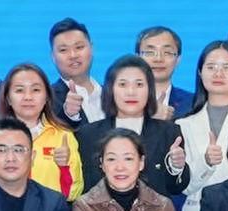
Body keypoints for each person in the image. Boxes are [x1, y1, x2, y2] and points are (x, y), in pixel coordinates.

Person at [75, 55, 190, 199]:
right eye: (123, 84)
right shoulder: (88, 135)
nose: (131, 92)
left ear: (150, 90)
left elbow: (177, 188)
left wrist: (176, 166)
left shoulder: (169, 132)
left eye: (139, 84)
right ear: (110, 89)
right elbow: (85, 187)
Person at [0, 63, 84, 201]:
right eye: (19, 90)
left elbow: (73, 194)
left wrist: (64, 168)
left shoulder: (63, 135)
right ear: (8, 98)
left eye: (36, 90)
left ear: (47, 97)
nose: (28, 97)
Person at [176, 41, 228, 211]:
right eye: (211, 67)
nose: (218, 74)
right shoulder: (183, 124)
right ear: (200, 72)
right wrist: (206, 163)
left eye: (227, 67)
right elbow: (184, 186)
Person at [49, 18, 102, 127]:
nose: (73, 55)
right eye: (63, 50)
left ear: (92, 48)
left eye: (79, 47)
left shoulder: (113, 94)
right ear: (53, 56)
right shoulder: (47, 99)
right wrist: (69, 115)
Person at [137, 27, 192, 120]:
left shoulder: (193, 104)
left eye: (167, 53)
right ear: (138, 58)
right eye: (150, 52)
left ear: (178, 60)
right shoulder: (121, 100)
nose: (158, 59)